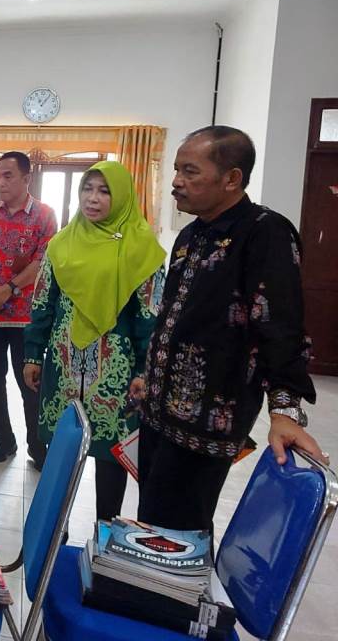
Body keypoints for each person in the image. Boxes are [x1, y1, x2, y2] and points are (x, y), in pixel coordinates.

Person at [133, 125, 328, 531]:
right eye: (176, 170)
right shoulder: (192, 234)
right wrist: (149, 375)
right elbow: (176, 315)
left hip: (206, 422)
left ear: (232, 178)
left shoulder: (264, 232)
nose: (176, 182)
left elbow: (281, 326)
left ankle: (180, 595)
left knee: (180, 531)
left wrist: (285, 412)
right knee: (152, 521)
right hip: (158, 412)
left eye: (190, 171)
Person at [23, 161, 165, 520]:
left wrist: (144, 370)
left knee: (111, 454)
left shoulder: (141, 247)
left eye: (104, 191)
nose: (93, 198)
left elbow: (149, 318)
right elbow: (43, 302)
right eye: (88, 189)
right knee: (62, 451)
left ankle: (106, 530)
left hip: (114, 371)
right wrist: (33, 354)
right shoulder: (63, 242)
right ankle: (55, 531)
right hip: (64, 363)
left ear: (121, 197)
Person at [0, 152, 58, 467]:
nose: (1, 182)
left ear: (26, 178)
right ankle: (3, 439)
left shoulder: (44, 215)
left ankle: (38, 445)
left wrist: (9, 289)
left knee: (30, 384)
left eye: (8, 175)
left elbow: (43, 261)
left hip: (24, 319)